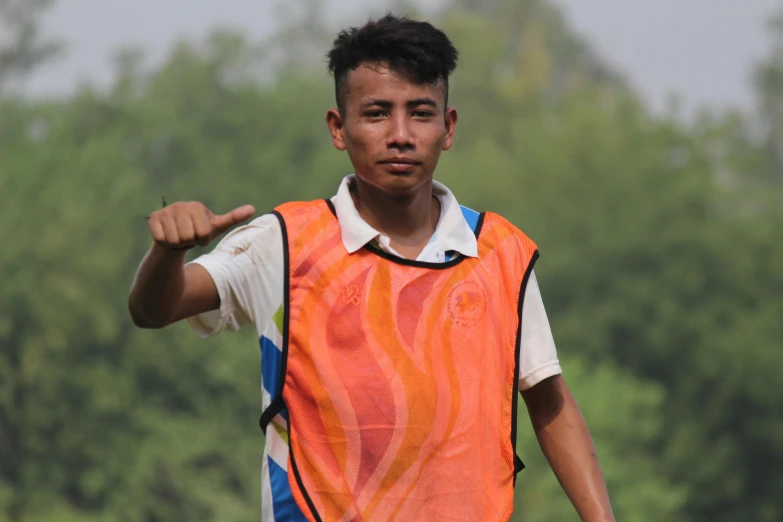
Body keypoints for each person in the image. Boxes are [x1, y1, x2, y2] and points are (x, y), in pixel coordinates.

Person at [128, 14, 614, 522]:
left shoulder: (498, 253)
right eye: (377, 113)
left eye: (421, 113)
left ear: (448, 128)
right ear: (339, 129)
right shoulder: (286, 243)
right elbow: (154, 309)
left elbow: (548, 400)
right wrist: (168, 253)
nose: (400, 135)